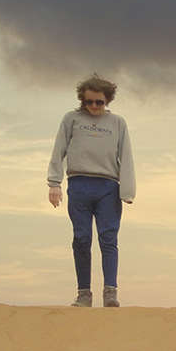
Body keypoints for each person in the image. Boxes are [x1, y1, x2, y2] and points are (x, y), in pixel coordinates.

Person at [46, 74, 135, 307]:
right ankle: (84, 293)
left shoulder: (118, 123)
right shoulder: (71, 119)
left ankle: (110, 292)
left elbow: (126, 156)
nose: (94, 107)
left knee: (108, 238)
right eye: (89, 102)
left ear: (107, 101)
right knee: (81, 238)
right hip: (79, 184)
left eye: (99, 102)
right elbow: (58, 151)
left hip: (108, 187)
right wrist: (54, 183)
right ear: (82, 101)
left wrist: (127, 191)